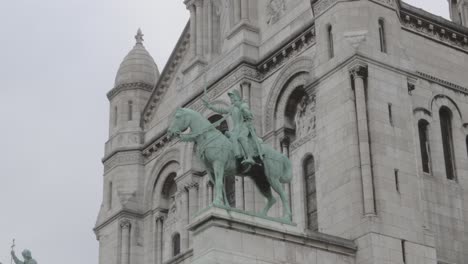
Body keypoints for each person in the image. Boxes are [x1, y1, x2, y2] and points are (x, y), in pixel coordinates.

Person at [203, 89, 261, 167]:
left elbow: (249, 114)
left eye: (232, 97)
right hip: (236, 129)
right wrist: (211, 107)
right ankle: (235, 157)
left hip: (244, 126)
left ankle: (249, 157)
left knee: (241, 137)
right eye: (230, 98)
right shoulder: (232, 108)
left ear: (236, 97)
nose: (231, 99)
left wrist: (244, 110)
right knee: (227, 138)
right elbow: (221, 110)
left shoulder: (242, 104)